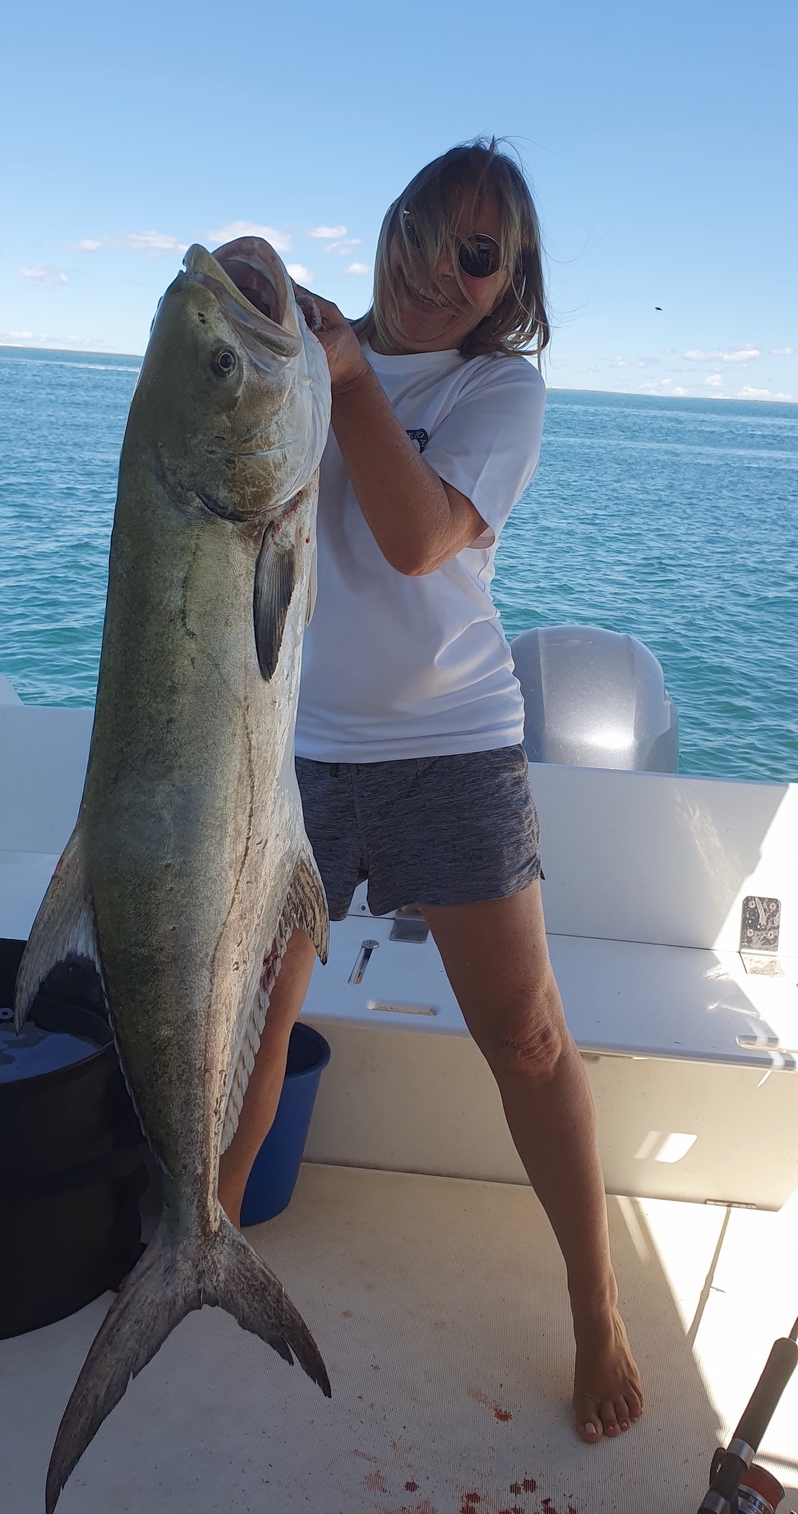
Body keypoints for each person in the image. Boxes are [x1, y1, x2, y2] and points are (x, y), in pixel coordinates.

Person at [218, 139, 643, 1443]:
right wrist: (246, 309)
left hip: (452, 749)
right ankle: (202, 1245)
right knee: (252, 1023)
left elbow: (414, 540)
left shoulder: (498, 389)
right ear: (392, 225)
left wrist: (347, 373)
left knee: (528, 1040)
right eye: (430, 231)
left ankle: (597, 1304)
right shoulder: (306, 355)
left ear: (511, 284)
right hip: (298, 748)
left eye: (482, 255)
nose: (445, 270)